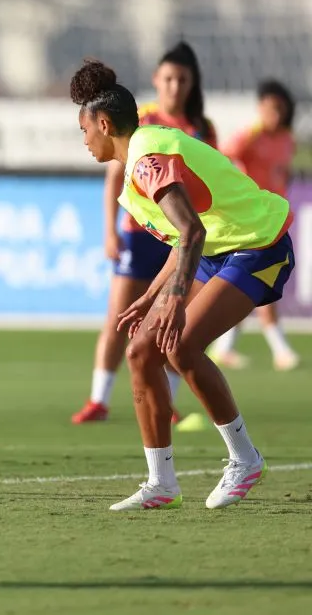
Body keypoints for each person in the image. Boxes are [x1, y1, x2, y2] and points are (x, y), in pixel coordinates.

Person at [70, 59, 292, 511]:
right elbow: (183, 240)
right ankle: (161, 482)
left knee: (182, 345)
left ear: (105, 123)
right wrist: (152, 297)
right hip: (217, 250)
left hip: (259, 246)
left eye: (84, 129)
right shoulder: (140, 160)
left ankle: (245, 459)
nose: (84, 138)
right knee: (141, 350)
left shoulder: (147, 161)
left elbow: (192, 231)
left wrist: (172, 302)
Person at [73, 42, 216, 424]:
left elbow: (208, 185)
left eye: (182, 79)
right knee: (121, 319)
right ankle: (99, 399)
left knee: (173, 324)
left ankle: (165, 403)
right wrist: (110, 231)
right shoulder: (139, 122)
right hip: (142, 232)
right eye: (168, 78)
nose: (175, 86)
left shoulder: (200, 127)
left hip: (185, 235)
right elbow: (114, 178)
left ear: (191, 83)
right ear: (157, 80)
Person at [209, 79, 299, 371]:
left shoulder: (287, 139)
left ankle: (223, 347)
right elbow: (220, 158)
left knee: (249, 283)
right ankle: (281, 350)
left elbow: (282, 174)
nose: (274, 114)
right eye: (270, 108)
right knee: (261, 277)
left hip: (275, 219)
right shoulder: (249, 136)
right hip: (251, 221)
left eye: (279, 109)